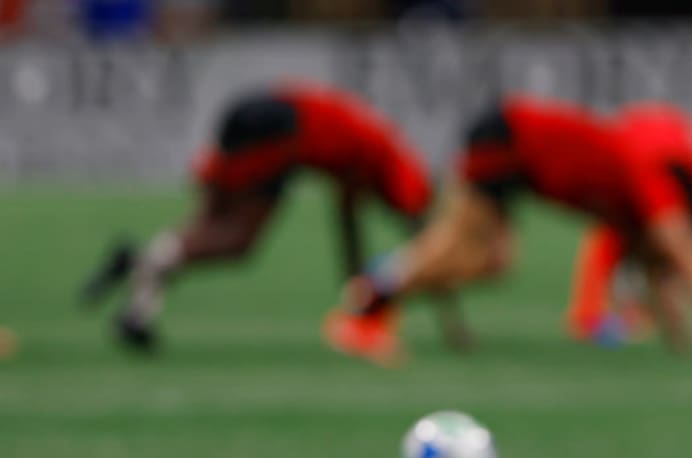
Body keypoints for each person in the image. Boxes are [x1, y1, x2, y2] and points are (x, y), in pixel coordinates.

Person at [324, 95, 692, 372]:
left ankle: (373, 297)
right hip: (508, 137)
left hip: (515, 151)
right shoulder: (650, 175)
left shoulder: (637, 208)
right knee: (457, 247)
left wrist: (682, 342)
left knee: (490, 262)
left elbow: (660, 268)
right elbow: (681, 247)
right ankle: (364, 307)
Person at [81, 82, 450, 357]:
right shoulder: (401, 171)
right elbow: (427, 249)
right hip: (279, 130)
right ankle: (142, 263)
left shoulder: (375, 145)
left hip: (252, 112)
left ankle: (137, 312)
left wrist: (354, 291)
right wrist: (449, 322)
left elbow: (350, 223)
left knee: (204, 227)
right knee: (237, 242)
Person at [563, 102, 692, 348]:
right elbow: (604, 253)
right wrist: (587, 315)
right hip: (642, 168)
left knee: (674, 256)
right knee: (666, 256)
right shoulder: (633, 198)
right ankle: (665, 316)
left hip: (664, 168)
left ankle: (670, 315)